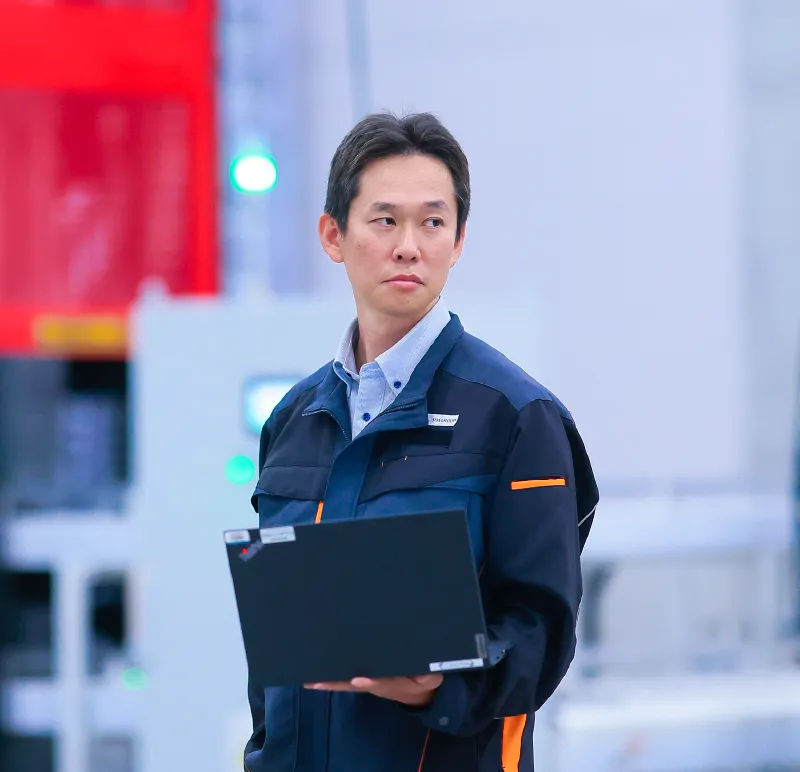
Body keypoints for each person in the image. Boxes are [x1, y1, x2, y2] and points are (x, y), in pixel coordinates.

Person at [245, 112, 598, 772]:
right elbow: (276, 656)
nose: (409, 246)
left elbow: (541, 631)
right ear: (334, 235)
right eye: (385, 220)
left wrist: (440, 684)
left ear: (457, 241)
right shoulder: (295, 420)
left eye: (432, 223)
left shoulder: (516, 417)